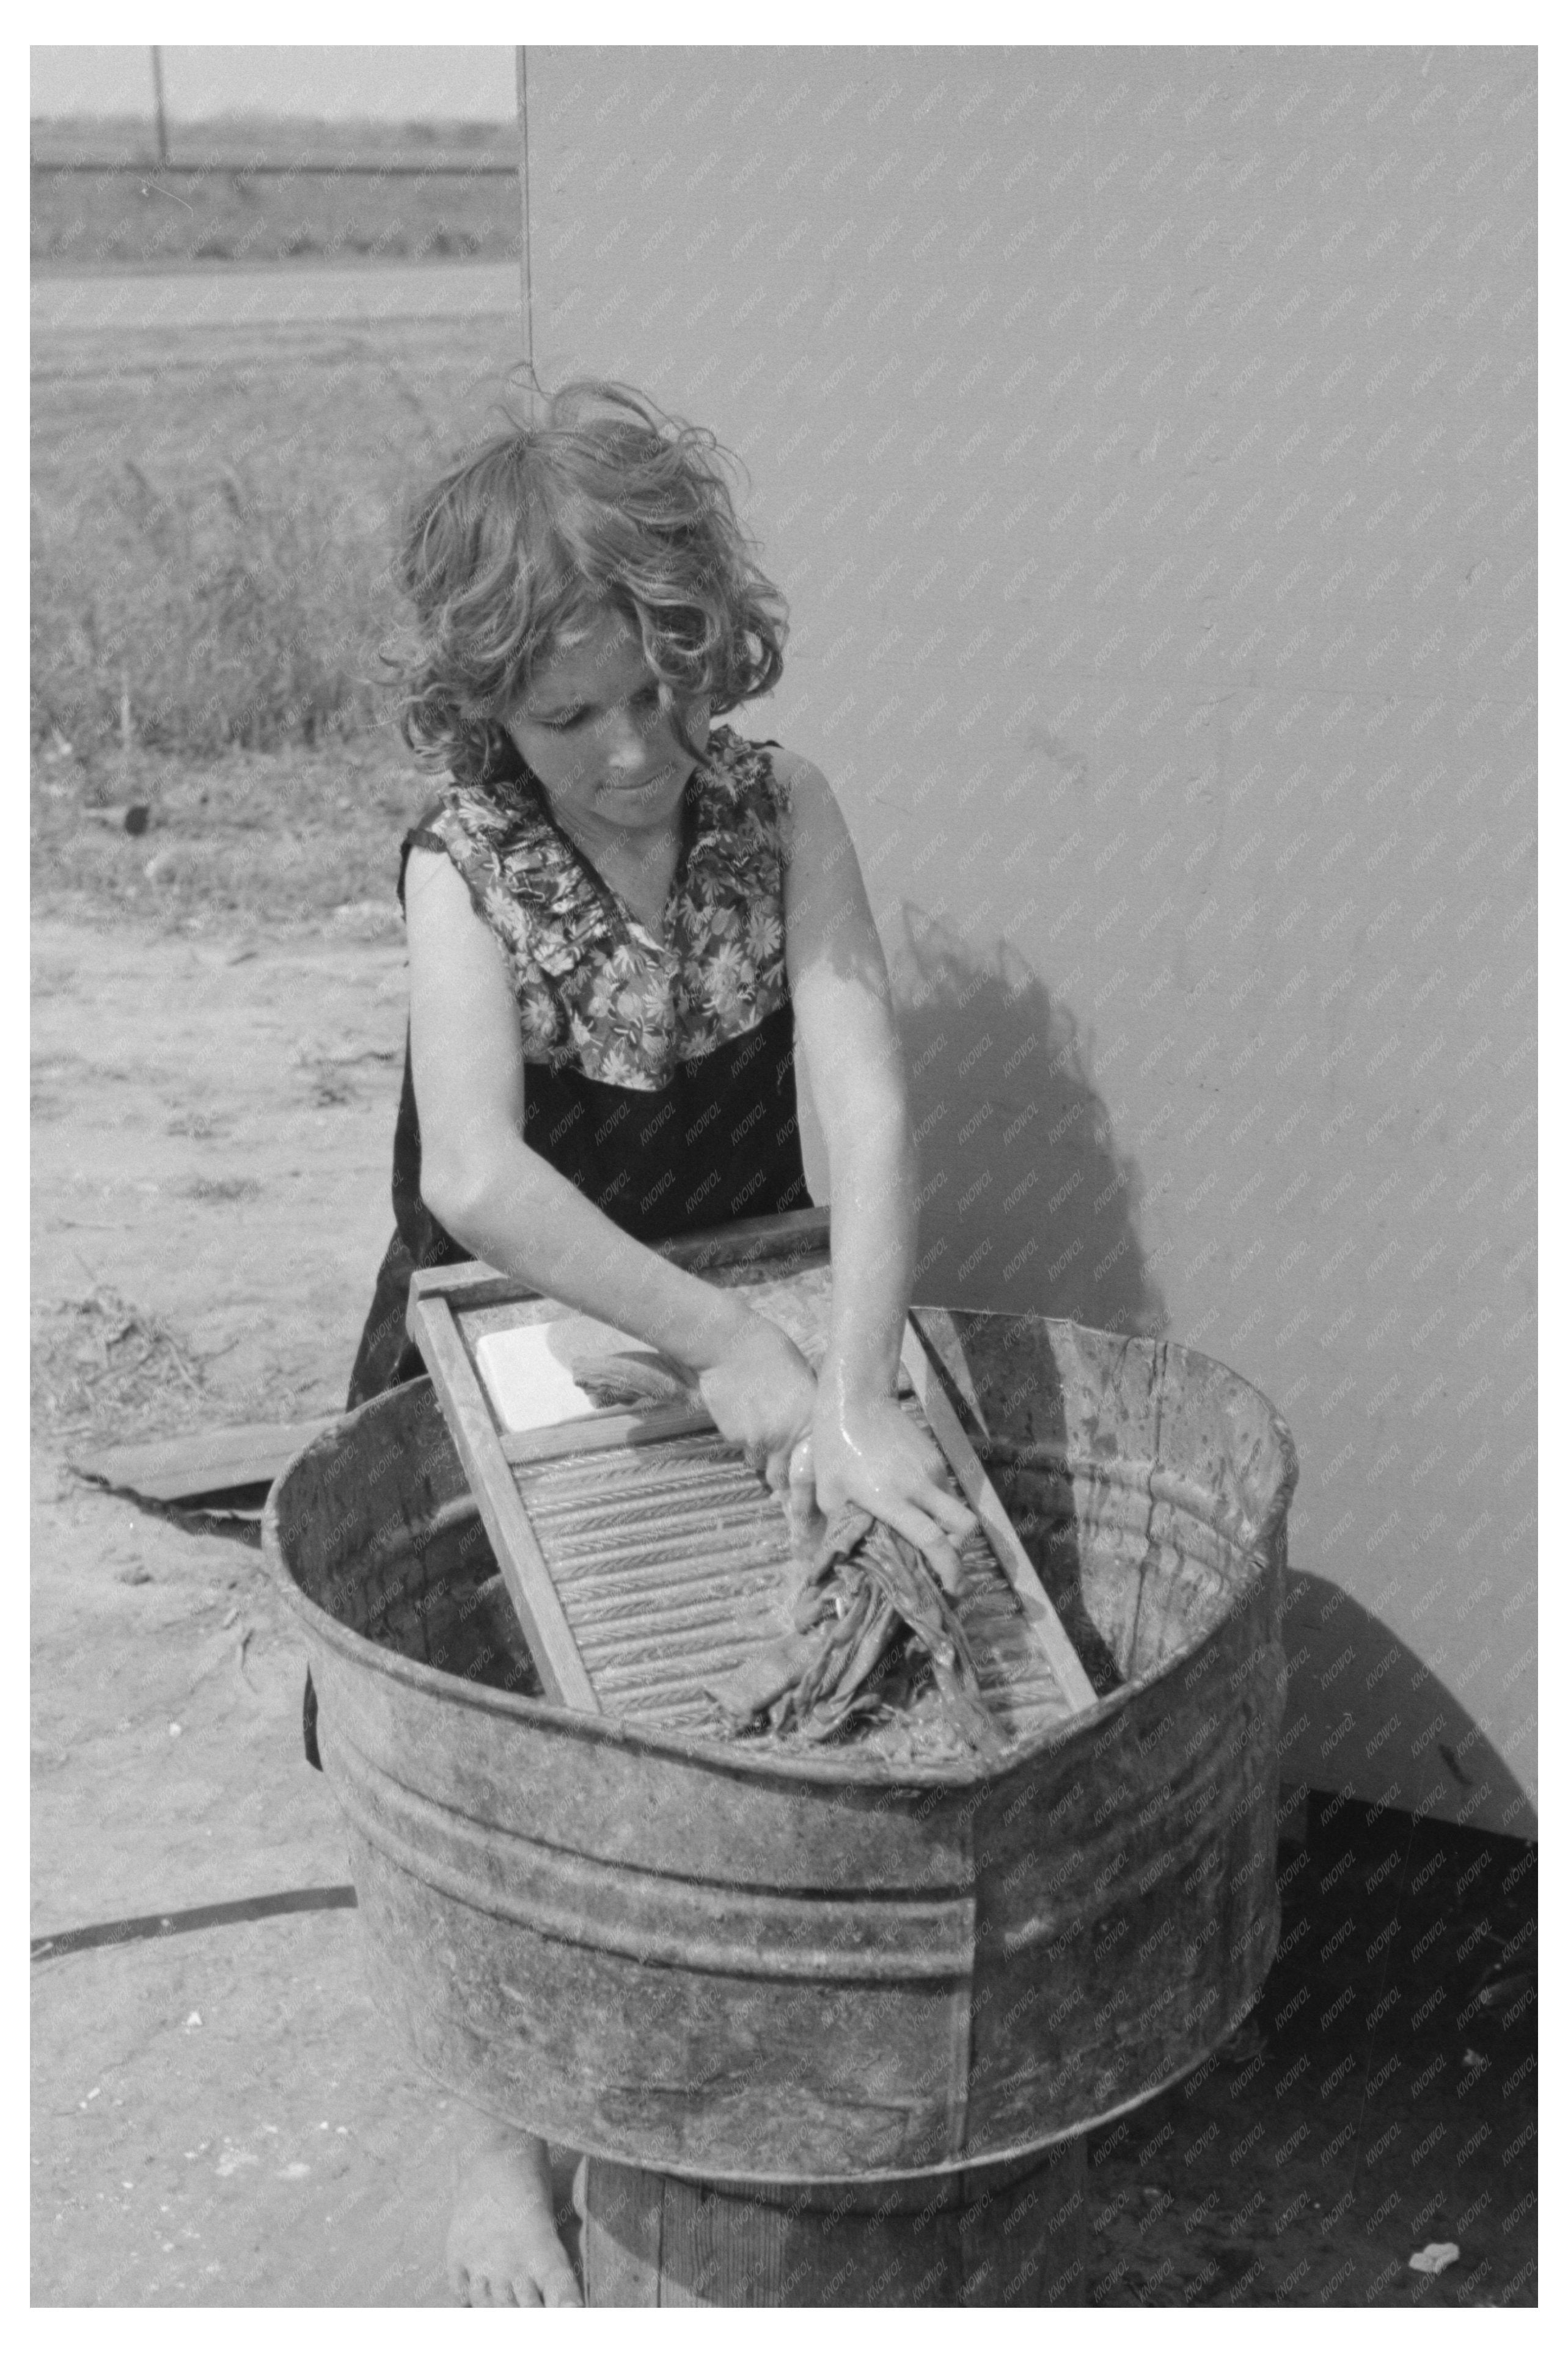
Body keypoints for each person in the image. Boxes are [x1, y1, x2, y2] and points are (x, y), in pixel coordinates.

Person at [339, 379, 976, 2305]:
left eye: (659, 695)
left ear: (711, 649)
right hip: (520, 1322)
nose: (630, 752)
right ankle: (503, 2147)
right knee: (508, 1734)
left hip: (755, 1292)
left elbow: (857, 1096)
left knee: (757, 1688)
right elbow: (478, 1176)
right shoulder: (464, 863)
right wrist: (720, 1353)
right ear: (489, 715)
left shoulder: (780, 808)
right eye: (569, 717)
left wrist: (849, 1382)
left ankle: (743, 2052)